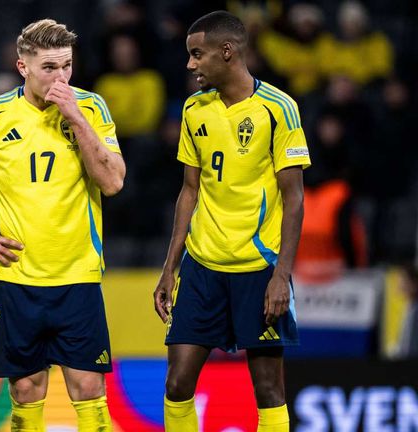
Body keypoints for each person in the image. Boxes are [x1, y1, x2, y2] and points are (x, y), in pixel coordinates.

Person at [0, 19, 125, 432]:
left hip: (77, 276)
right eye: (49, 67)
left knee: (88, 388)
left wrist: (77, 120)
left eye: (67, 66)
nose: (61, 77)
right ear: (23, 67)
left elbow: (113, 182)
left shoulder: (91, 106)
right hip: (17, 278)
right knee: (27, 390)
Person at [152, 11, 310, 432]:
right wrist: (170, 268)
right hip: (203, 267)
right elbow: (189, 190)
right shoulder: (193, 109)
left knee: (269, 392)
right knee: (176, 383)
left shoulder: (279, 109)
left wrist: (282, 276)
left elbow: (294, 200)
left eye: (197, 54)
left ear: (228, 51)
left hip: (257, 269)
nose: (190, 64)